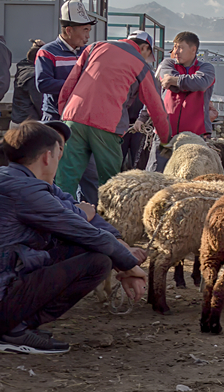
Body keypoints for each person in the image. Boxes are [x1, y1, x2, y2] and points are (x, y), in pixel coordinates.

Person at [0, 121, 148, 354]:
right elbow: (83, 230)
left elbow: (84, 223)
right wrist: (129, 266)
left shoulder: (24, 182)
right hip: (4, 287)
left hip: (13, 269)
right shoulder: (24, 191)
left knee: (93, 249)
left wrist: (121, 247)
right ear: (48, 157)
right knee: (97, 261)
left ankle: (15, 324)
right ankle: (13, 329)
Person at [53, 31, 172, 194]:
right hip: (107, 125)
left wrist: (64, 117)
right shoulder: (141, 65)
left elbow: (69, 84)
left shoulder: (94, 47)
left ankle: (64, 217)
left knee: (65, 179)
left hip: (73, 118)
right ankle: (105, 218)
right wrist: (165, 141)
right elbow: (157, 109)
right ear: (144, 47)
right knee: (110, 185)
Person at [35, 1, 101, 203]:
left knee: (90, 175)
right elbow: (43, 83)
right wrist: (77, 84)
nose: (88, 36)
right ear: (69, 30)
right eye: (85, 30)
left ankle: (88, 216)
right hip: (56, 121)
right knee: (53, 173)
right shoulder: (47, 52)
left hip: (82, 122)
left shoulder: (88, 53)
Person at [156, 32, 216, 137]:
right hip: (165, 132)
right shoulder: (168, 64)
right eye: (175, 47)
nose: (176, 52)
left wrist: (174, 80)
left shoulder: (207, 68)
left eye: (181, 48)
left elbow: (201, 83)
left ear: (193, 49)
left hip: (197, 133)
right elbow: (174, 87)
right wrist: (191, 84)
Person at [12, 39, 46, 126]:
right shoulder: (34, 76)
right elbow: (40, 103)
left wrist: (36, 48)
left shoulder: (23, 67)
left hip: (18, 119)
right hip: (29, 124)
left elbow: (30, 57)